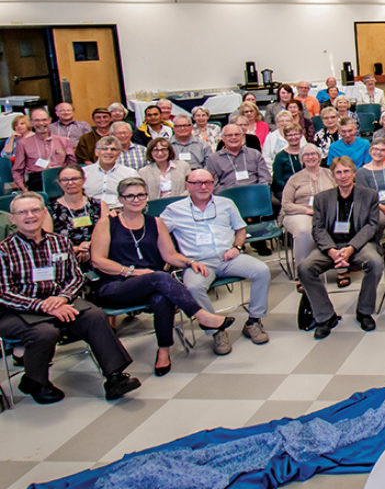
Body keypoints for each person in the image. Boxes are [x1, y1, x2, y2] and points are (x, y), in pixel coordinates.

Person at [0, 192, 141, 404]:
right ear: (13, 218)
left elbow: (75, 276)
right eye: (23, 212)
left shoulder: (60, 242)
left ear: (44, 212)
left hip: (60, 301)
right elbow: (4, 292)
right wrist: (43, 306)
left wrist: (63, 298)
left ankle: (114, 377)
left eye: (35, 210)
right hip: (19, 309)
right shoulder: (4, 250)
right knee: (45, 332)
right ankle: (36, 382)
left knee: (95, 316)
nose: (30, 216)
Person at [89, 178, 236, 376]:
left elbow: (169, 255)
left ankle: (164, 351)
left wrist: (190, 262)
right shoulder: (107, 223)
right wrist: (132, 272)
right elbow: (98, 261)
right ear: (120, 199)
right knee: (159, 278)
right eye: (130, 196)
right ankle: (201, 315)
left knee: (162, 296)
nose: (136, 199)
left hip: (152, 284)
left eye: (140, 195)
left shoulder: (155, 223)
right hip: (117, 286)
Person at [161, 168, 272, 352]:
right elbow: (157, 234)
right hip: (198, 263)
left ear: (213, 184)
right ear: (187, 186)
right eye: (197, 183)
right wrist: (181, 259)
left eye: (208, 182)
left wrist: (236, 248)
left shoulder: (226, 204)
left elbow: (241, 229)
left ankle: (254, 320)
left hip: (227, 257)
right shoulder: (174, 210)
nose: (203, 186)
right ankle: (216, 329)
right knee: (194, 287)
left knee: (262, 271)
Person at [298, 157, 383, 338]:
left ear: (354, 173)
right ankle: (325, 316)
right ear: (333, 176)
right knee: (305, 267)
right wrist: (331, 250)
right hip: (331, 245)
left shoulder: (369, 195)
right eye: (338, 172)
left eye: (346, 171)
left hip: (359, 244)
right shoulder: (322, 199)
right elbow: (318, 228)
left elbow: (371, 225)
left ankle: (364, 311)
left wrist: (351, 248)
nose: (343, 176)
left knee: (375, 262)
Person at [279, 143, 335, 280]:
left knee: (341, 225)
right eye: (306, 155)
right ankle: (303, 273)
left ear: (319, 156)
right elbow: (286, 205)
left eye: (313, 154)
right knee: (304, 230)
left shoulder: (330, 174)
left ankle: (341, 269)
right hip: (299, 213)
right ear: (301, 159)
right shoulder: (294, 179)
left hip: (326, 212)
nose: (310, 157)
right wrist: (307, 210)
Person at [42, 164, 107, 265]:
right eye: (65, 180)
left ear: (83, 180)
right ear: (59, 183)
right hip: (65, 256)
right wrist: (75, 249)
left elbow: (107, 234)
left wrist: (88, 247)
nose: (70, 183)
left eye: (75, 179)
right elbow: (49, 241)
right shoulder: (50, 210)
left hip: (98, 252)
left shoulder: (99, 204)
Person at [11, 107, 75, 192]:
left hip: (61, 178)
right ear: (31, 123)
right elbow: (18, 170)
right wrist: (23, 188)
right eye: (37, 120)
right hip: (37, 180)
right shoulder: (23, 143)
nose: (41, 123)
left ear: (49, 120)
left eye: (44, 120)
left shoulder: (63, 141)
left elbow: (73, 164)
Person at [208, 124, 271, 191]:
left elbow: (265, 178)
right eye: (229, 135)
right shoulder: (213, 159)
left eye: (237, 134)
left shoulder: (255, 154)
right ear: (223, 138)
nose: (234, 137)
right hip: (228, 195)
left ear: (242, 137)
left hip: (254, 193)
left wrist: (259, 191)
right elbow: (213, 184)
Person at [82, 136, 140, 208]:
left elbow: (140, 198)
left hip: (121, 212)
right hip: (90, 211)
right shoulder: (84, 173)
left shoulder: (130, 174)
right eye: (104, 149)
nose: (109, 152)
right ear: (96, 152)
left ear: (119, 153)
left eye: (113, 149)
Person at [270, 124, 306, 198]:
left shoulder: (307, 153)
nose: (293, 137)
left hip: (306, 187)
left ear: (301, 135)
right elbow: (277, 179)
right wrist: (292, 188)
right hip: (285, 189)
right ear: (285, 137)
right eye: (289, 135)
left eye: (295, 134)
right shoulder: (280, 156)